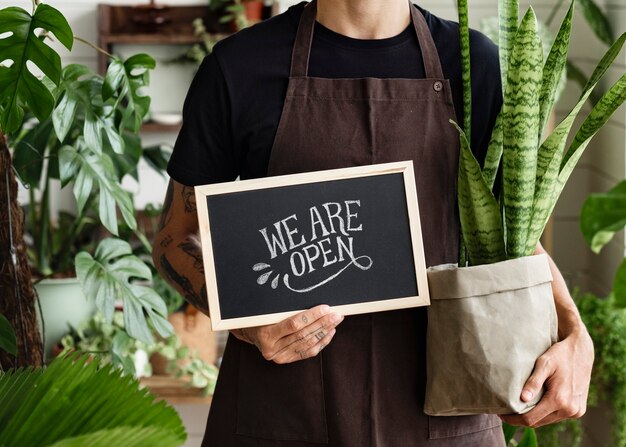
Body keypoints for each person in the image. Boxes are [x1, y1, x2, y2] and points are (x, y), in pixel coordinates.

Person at [153, 0, 594, 445]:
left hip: (443, 416)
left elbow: (515, 236)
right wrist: (246, 324)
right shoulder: (238, 66)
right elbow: (174, 239)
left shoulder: (473, 64)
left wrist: (576, 333)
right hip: (280, 413)